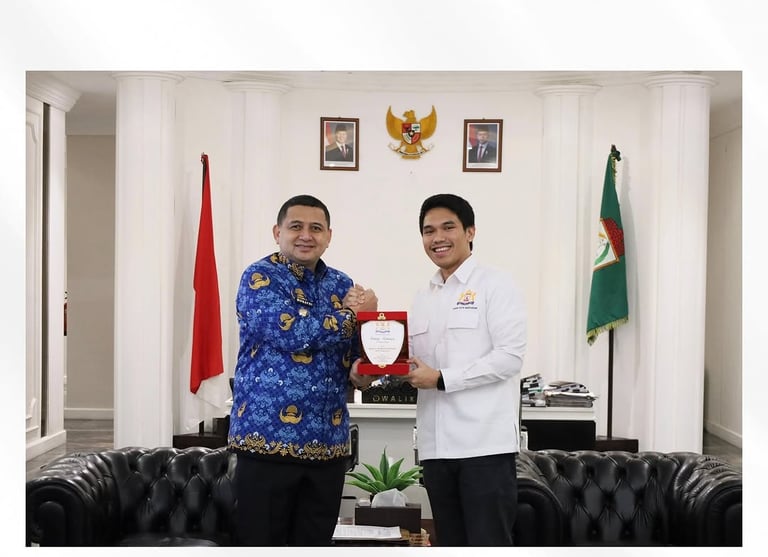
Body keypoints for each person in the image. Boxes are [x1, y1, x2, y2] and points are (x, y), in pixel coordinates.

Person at [228, 194, 377, 546]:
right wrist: (352, 315)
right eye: (296, 226)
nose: (306, 235)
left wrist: (366, 367)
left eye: (316, 228)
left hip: (328, 449)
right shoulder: (260, 277)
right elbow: (292, 333)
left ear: (329, 236)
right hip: (267, 444)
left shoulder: (342, 285)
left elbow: (353, 356)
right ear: (277, 232)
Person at [406, 193, 527, 546]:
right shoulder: (423, 296)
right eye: (429, 231)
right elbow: (411, 361)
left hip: (483, 448)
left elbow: (509, 357)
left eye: (448, 227)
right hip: (436, 449)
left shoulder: (496, 284)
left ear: (470, 232)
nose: (438, 238)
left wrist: (442, 379)